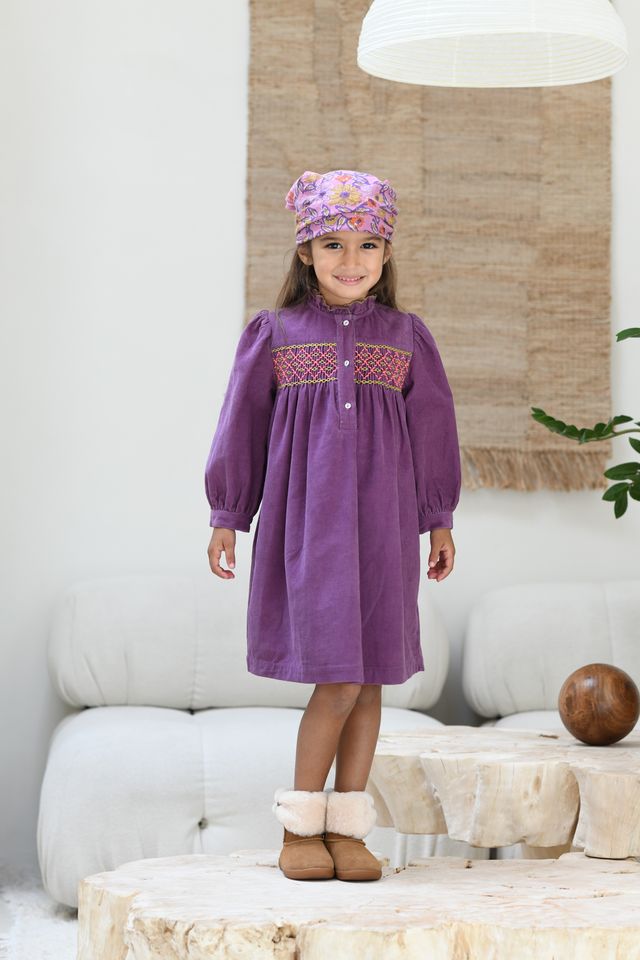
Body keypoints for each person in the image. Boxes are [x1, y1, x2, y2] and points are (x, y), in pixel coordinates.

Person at [204, 169, 461, 883]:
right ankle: (298, 827)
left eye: (367, 245)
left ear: (387, 252)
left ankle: (347, 829)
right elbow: (241, 426)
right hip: (309, 527)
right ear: (306, 253)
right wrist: (228, 513)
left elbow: (434, 432)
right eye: (333, 245)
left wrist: (438, 518)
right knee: (340, 678)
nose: (352, 260)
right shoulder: (275, 334)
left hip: (385, 529)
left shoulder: (407, 338)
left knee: (371, 678)